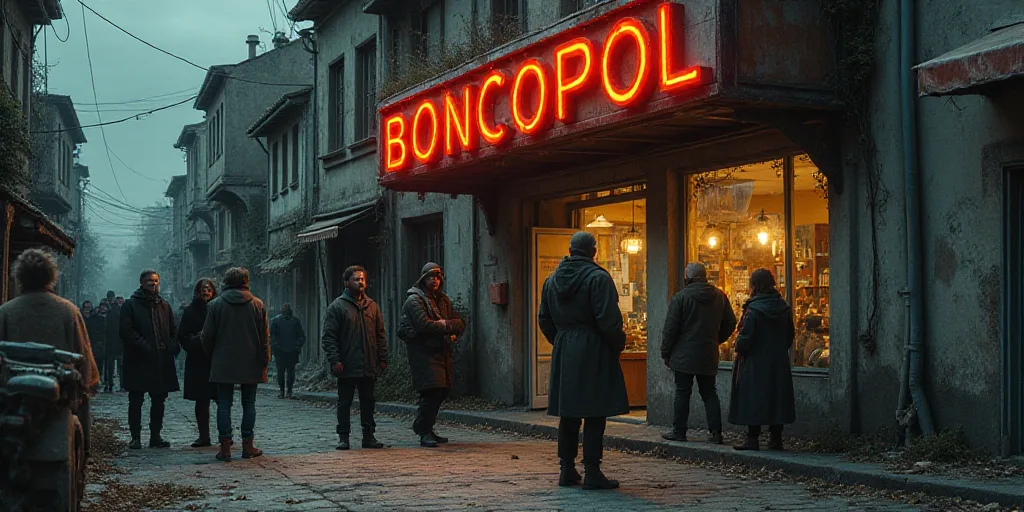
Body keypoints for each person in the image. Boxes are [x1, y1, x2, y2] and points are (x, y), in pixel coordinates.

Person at [537, 231, 627, 490]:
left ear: (571, 249)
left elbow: (544, 318)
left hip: (566, 349)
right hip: (594, 347)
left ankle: (566, 468)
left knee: (569, 411)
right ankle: (592, 470)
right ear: (593, 250)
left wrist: (562, 340)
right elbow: (609, 320)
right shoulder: (598, 278)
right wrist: (616, 344)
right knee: (595, 410)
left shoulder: (551, 280)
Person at [0, 249, 100, 455]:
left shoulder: (7, 311)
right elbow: (83, 353)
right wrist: (89, 383)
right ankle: (83, 453)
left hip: (13, 391)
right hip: (59, 390)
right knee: (81, 405)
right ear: (51, 277)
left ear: (20, 277)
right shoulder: (67, 310)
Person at [659, 262, 737, 444]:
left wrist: (666, 352)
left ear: (689, 277)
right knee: (709, 392)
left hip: (683, 354)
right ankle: (716, 432)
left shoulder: (681, 298)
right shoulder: (719, 296)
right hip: (708, 352)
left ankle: (679, 431)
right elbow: (731, 322)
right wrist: (717, 339)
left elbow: (670, 329)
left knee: (682, 392)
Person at [202, 267, 270, 462]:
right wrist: (264, 360)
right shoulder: (258, 304)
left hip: (223, 361)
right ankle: (248, 446)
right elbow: (265, 337)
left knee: (224, 403)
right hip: (251, 361)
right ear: (246, 281)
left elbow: (206, 337)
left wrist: (214, 355)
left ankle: (225, 448)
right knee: (249, 403)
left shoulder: (215, 306)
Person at [729, 268, 796, 451]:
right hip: (778, 361)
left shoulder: (753, 310)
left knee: (754, 397)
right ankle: (776, 438)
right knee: (776, 398)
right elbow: (790, 335)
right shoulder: (783, 308)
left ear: (755, 285)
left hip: (755, 362)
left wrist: (738, 346)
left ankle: (753, 439)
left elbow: (746, 337)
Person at [400, 262, 464, 448]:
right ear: (423, 278)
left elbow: (460, 321)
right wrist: (446, 325)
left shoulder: (443, 300)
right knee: (432, 390)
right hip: (423, 352)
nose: (434, 280)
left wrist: (448, 326)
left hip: (442, 351)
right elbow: (424, 325)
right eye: (430, 277)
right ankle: (423, 430)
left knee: (443, 389)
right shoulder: (414, 300)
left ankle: (426, 426)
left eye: (437, 277)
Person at [323, 266, 387, 451]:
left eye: (362, 279)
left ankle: (369, 436)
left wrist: (382, 358)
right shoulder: (337, 307)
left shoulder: (372, 306)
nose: (360, 282)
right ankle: (343, 437)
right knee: (345, 402)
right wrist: (335, 360)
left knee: (368, 401)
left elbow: (380, 334)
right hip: (347, 364)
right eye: (356, 279)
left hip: (368, 364)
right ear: (346, 283)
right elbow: (329, 337)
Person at [120, 270, 180, 450]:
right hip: (138, 359)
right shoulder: (130, 305)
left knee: (159, 399)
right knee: (136, 399)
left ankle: (155, 435)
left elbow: (172, 329)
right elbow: (126, 332)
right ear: (142, 283)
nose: (153, 285)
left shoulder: (164, 305)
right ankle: (135, 437)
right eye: (149, 281)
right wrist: (145, 346)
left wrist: (171, 346)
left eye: (155, 281)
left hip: (160, 360)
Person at [178, 278, 218, 448]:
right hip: (198, 361)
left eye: (209, 288)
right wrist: (199, 339)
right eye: (203, 288)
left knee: (223, 399)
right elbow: (183, 336)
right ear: (197, 291)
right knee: (201, 400)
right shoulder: (190, 311)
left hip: (218, 360)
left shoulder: (220, 308)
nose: (206, 291)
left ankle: (225, 434)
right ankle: (204, 436)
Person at [270, 303, 306, 399]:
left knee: (286, 372)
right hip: (284, 351)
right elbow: (272, 337)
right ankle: (285, 391)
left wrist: (297, 346)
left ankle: (286, 391)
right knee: (285, 372)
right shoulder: (277, 321)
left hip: (289, 351)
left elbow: (301, 337)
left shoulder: (293, 321)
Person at [104, 294, 125, 393]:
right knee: (113, 365)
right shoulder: (116, 310)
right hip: (114, 341)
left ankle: (112, 385)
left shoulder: (111, 310)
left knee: (114, 365)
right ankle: (115, 385)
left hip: (115, 341)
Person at [85, 301, 107, 388]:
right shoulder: (94, 318)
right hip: (93, 342)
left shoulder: (96, 318)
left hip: (97, 342)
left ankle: (97, 379)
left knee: (98, 362)